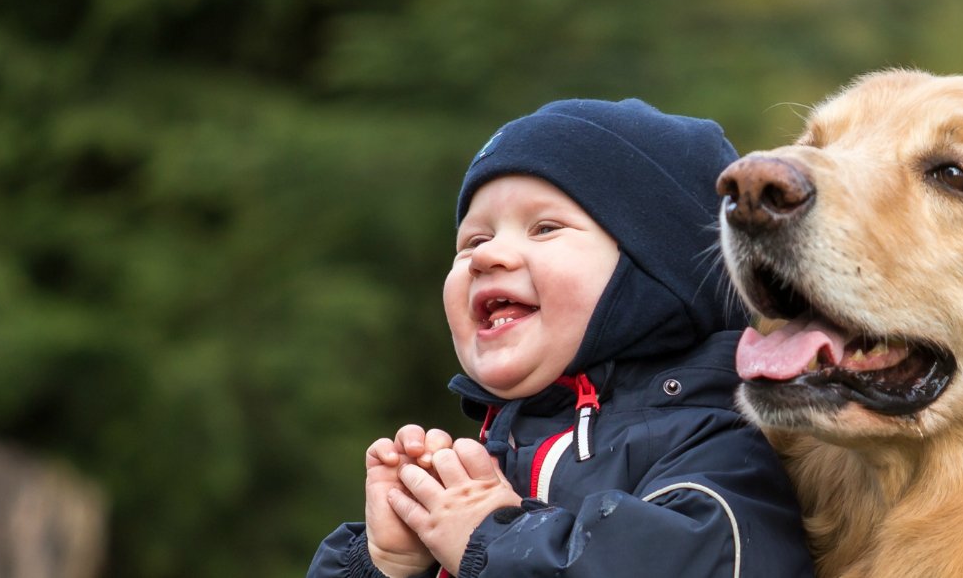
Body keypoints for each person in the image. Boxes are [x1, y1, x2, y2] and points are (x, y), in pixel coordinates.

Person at [306, 99, 814, 578]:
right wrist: (388, 563)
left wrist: (498, 539)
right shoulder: (493, 462)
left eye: (544, 228)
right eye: (474, 239)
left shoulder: (719, 451)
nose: (486, 256)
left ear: (656, 274)